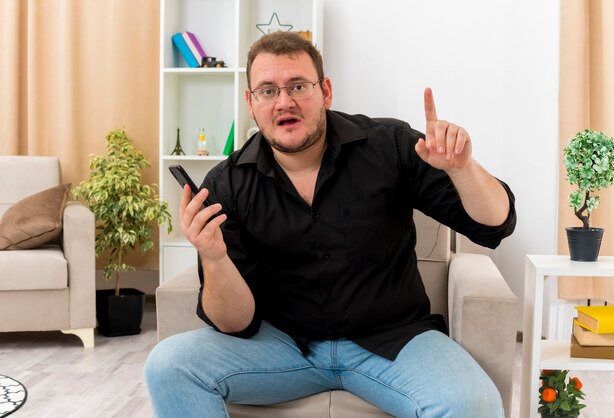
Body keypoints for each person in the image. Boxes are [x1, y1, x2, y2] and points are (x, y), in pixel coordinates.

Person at [145, 31, 516, 418]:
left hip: (395, 341)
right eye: (267, 91)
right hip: (281, 347)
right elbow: (235, 323)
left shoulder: (389, 145)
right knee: (169, 364)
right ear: (251, 103)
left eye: (298, 86)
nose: (284, 101)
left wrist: (464, 169)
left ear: (325, 90)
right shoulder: (227, 183)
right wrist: (215, 257)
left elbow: (495, 225)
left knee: (474, 404)